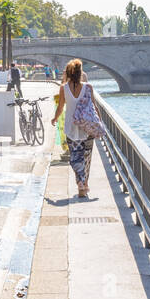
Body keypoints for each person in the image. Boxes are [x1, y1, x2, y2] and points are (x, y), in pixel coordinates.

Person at [52, 58, 94, 198]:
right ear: (81, 72)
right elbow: (93, 107)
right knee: (86, 157)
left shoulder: (63, 88)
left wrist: (55, 118)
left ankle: (81, 184)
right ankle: (84, 183)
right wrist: (99, 123)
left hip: (70, 127)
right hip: (87, 127)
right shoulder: (88, 87)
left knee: (76, 156)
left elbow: (60, 107)